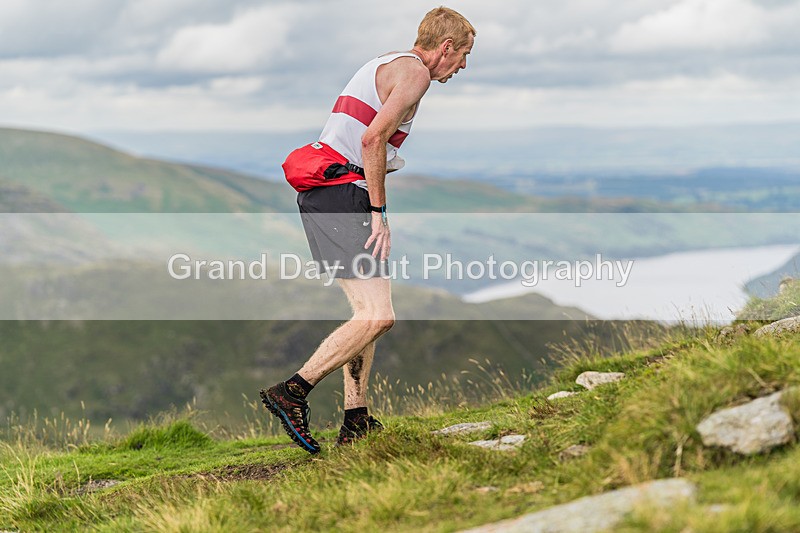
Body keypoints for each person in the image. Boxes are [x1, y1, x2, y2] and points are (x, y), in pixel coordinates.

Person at [261, 7, 476, 454]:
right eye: (464, 55)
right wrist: (378, 210)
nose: (463, 67)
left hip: (325, 194)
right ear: (446, 47)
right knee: (380, 316)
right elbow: (372, 140)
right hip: (345, 197)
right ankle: (292, 392)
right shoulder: (415, 74)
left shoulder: (387, 61)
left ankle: (355, 419)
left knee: (367, 316)